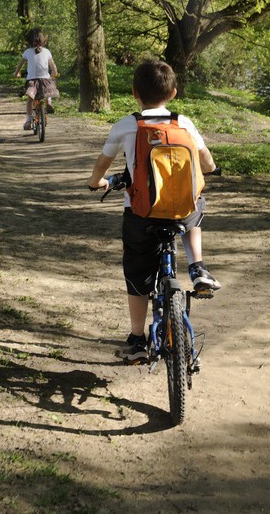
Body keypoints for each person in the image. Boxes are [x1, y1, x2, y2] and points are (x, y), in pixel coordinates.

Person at [86, 57, 220, 363]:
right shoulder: (183, 122)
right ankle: (197, 267)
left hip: (141, 215)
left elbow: (103, 163)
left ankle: (137, 340)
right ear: (173, 94)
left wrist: (96, 182)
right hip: (180, 213)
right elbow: (206, 159)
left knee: (136, 272)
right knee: (195, 202)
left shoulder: (126, 125)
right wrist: (209, 171)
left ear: (135, 92)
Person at [14, 28, 60, 130]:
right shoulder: (47, 51)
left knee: (30, 100)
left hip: (32, 81)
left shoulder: (27, 52)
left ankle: (28, 121)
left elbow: (20, 65)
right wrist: (54, 73)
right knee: (48, 88)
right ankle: (49, 101)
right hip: (45, 80)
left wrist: (16, 73)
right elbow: (53, 66)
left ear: (29, 41)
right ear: (43, 40)